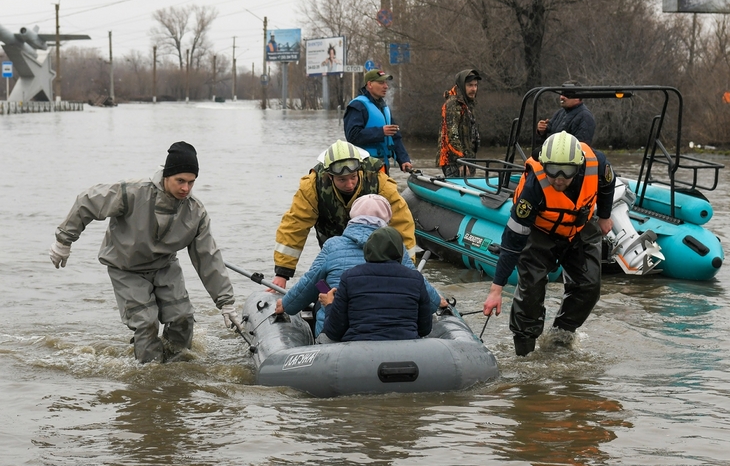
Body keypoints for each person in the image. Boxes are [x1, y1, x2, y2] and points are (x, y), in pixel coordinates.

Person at [48, 141, 239, 363]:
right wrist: (64, 241)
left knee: (183, 318)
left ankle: (177, 371)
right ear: (166, 176)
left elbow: (208, 258)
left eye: (191, 182)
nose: (186, 188)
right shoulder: (132, 193)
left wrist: (225, 302)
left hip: (164, 266)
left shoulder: (195, 212)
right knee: (147, 322)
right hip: (125, 268)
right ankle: (148, 372)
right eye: (180, 181)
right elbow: (87, 201)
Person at [483, 131, 615, 356]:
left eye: (567, 171)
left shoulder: (598, 163)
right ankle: (524, 351)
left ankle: (560, 337)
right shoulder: (534, 187)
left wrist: (604, 215)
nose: (559, 178)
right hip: (539, 232)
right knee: (531, 291)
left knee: (590, 287)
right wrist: (496, 289)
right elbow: (513, 240)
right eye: (552, 170)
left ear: (579, 166)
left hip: (577, 229)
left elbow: (607, 186)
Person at [274, 194, 446, 337]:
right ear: (386, 220)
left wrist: (286, 305)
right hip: (398, 338)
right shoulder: (396, 247)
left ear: (353, 217)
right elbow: (424, 295)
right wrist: (439, 301)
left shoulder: (333, 246)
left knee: (323, 288)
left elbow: (310, 283)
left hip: (340, 335)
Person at [272, 140, 416, 289]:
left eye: (353, 177)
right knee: (321, 284)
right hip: (333, 248)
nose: (349, 184)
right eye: (342, 179)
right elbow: (295, 225)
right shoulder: (312, 186)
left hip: (374, 251)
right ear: (329, 176)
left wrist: (408, 269)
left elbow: (401, 223)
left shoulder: (379, 182)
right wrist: (282, 273)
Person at [320, 226, 433, 343]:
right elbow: (425, 328)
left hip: (359, 352)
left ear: (368, 249)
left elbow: (334, 331)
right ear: (400, 250)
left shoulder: (349, 278)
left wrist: (329, 305)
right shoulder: (416, 279)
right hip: (406, 352)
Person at [344, 69, 412, 174]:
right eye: (381, 83)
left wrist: (404, 159)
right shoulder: (358, 106)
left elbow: (395, 136)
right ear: (370, 84)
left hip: (383, 164)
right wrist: (380, 132)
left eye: (386, 83)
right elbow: (352, 136)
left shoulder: (383, 107)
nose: (386, 86)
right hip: (364, 166)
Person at [437, 68, 481, 177]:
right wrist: (460, 160)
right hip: (454, 162)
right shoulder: (453, 104)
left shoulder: (468, 104)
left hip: (468, 159)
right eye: (470, 85)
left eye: (475, 85)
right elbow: (452, 134)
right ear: (462, 85)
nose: (474, 89)